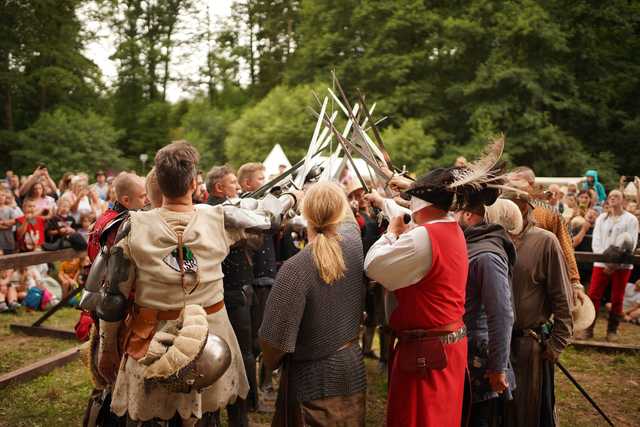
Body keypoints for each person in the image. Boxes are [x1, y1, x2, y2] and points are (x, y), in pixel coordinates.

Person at [96, 142, 275, 425]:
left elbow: (113, 298)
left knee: (155, 417)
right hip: (210, 338)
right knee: (206, 415)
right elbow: (267, 222)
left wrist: (106, 350)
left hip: (156, 336)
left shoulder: (133, 226)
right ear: (193, 183)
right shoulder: (220, 219)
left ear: (159, 183)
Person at [365, 168, 469, 427]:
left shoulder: (426, 236)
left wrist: (390, 233)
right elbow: (408, 220)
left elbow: (373, 265)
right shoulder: (449, 227)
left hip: (427, 351)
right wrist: (383, 203)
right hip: (444, 347)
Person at [260, 182, 367, 426]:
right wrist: (331, 189)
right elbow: (347, 221)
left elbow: (273, 341)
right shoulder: (353, 244)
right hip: (350, 366)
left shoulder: (295, 268)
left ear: (304, 215)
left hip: (311, 377)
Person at [501, 183, 573, 427]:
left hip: (528, 344)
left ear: (523, 207)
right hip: (495, 344)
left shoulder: (545, 242)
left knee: (526, 413)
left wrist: (557, 342)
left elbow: (562, 298)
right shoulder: (494, 238)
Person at [455, 194, 517, 427]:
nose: (455, 216)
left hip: (479, 356)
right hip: (464, 351)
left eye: (458, 212)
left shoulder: (488, 256)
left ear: (469, 215)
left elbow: (501, 314)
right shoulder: (473, 244)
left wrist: (497, 366)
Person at [206, 164, 258, 422]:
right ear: (219, 188)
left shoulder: (229, 209)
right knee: (237, 354)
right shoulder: (217, 212)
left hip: (232, 292)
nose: (238, 187)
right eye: (233, 183)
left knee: (236, 354)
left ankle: (244, 405)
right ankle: (242, 409)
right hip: (227, 295)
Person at [509, 167, 587, 311]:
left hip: (539, 278)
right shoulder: (501, 209)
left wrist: (574, 282)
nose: (511, 188)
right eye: (510, 184)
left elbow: (566, 247)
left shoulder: (550, 214)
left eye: (516, 184)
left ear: (531, 185)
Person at [237, 162, 277, 400]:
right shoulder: (243, 207)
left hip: (269, 278)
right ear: (247, 184)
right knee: (255, 339)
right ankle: (256, 389)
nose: (265, 181)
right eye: (261, 178)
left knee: (269, 332)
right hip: (254, 280)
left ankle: (266, 383)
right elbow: (268, 224)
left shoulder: (266, 203)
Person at [581, 190, 639, 341]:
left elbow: (630, 244)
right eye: (610, 196)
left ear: (623, 200)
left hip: (622, 265)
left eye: (616, 196)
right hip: (601, 263)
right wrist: (606, 261)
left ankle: (612, 331)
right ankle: (588, 329)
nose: (612, 198)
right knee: (593, 295)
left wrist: (614, 264)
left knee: (617, 298)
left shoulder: (631, 220)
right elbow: (597, 242)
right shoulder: (601, 218)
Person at [0, 190, 18, 254]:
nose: (1, 197)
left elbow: (14, 221)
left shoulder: (10, 209)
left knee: (9, 259)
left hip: (8, 240)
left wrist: (2, 222)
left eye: (3, 195)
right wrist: (8, 224)